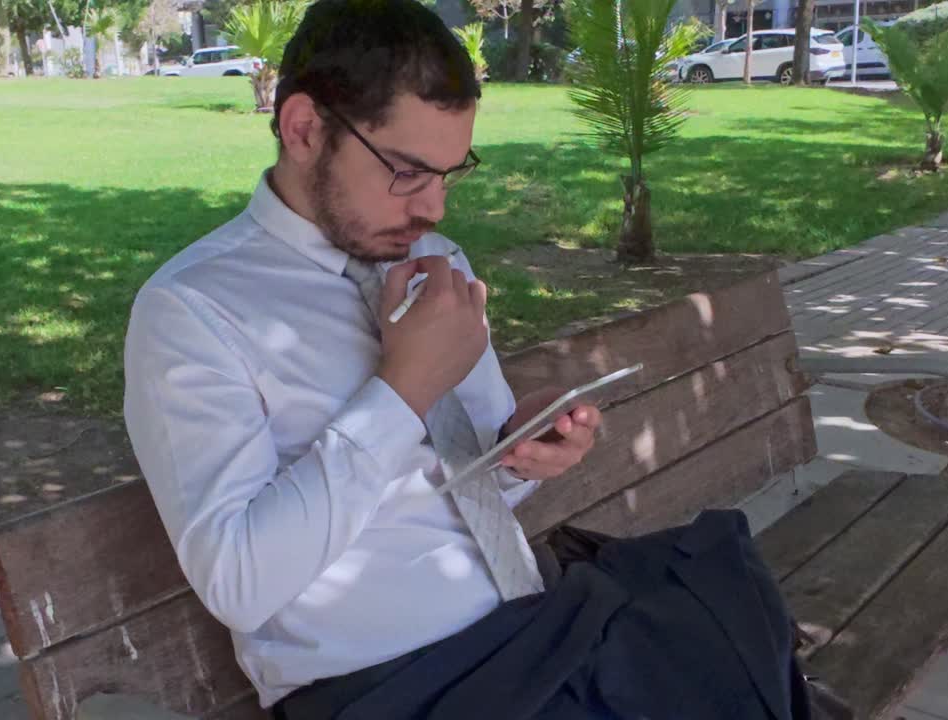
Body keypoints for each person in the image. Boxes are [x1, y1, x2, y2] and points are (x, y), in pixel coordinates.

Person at [123, 1, 822, 718]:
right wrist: (403, 391)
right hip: (396, 684)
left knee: (722, 594)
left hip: (538, 621)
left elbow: (475, 483)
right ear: (304, 129)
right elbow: (238, 581)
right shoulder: (195, 310)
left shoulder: (434, 264)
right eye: (408, 171)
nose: (435, 209)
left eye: (452, 173)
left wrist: (521, 457)